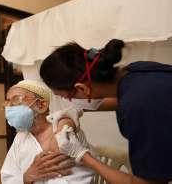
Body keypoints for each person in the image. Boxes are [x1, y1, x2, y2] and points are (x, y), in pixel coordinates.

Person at [39, 39, 172, 183]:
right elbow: (123, 100)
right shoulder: (135, 71)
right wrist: (76, 109)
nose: (69, 102)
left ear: (82, 88)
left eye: (66, 97)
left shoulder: (136, 108)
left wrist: (82, 155)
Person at [0, 80, 95, 184]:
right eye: (7, 102)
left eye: (16, 99)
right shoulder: (20, 138)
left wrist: (66, 120)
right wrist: (26, 177)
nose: (9, 108)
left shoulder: (64, 127)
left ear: (42, 105)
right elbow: (7, 177)